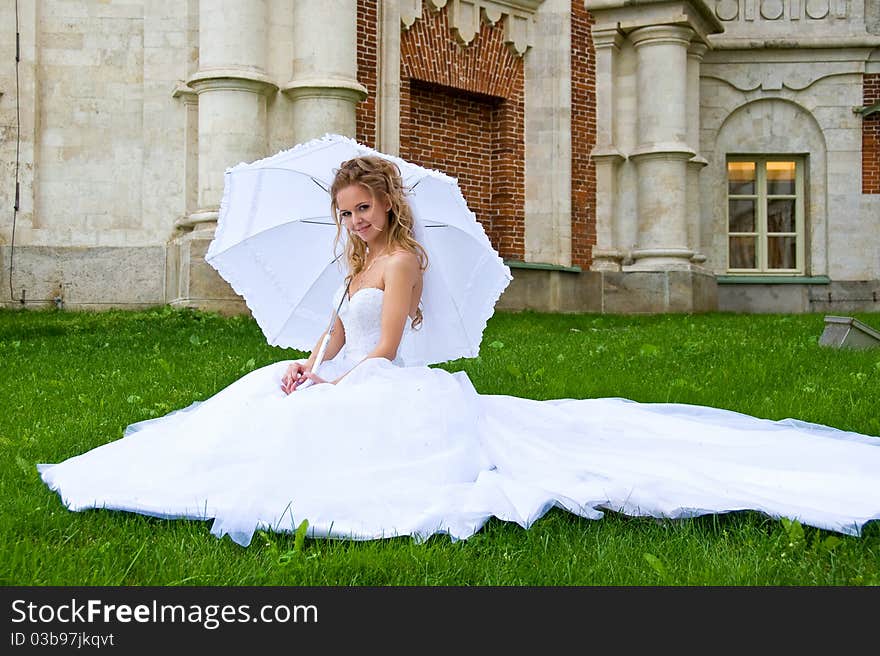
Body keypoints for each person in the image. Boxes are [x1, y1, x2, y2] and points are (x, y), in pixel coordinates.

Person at [38, 157, 880, 548]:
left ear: (386, 206)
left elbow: (388, 348)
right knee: (257, 402)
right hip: (339, 372)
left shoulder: (403, 260)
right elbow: (336, 329)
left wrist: (334, 381)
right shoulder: (357, 260)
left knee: (303, 437)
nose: (352, 223)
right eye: (343, 213)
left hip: (382, 385)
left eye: (361, 209)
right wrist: (308, 361)